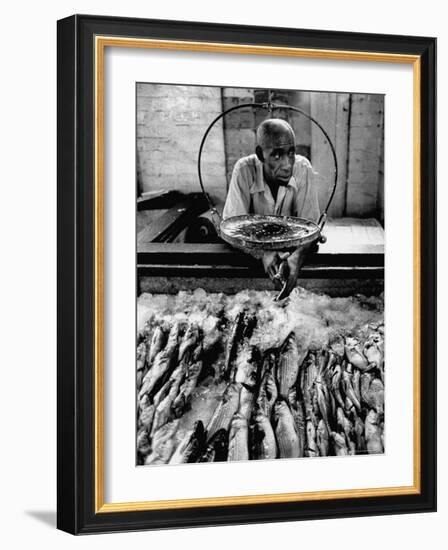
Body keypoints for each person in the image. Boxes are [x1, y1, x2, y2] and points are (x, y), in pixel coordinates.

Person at [222, 118, 320, 298]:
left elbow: (311, 228)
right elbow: (231, 229)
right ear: (260, 154)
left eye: (291, 153)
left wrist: (297, 258)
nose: (287, 164)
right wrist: (263, 254)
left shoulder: (303, 168)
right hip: (250, 263)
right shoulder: (244, 170)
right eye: (277, 155)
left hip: (290, 253)